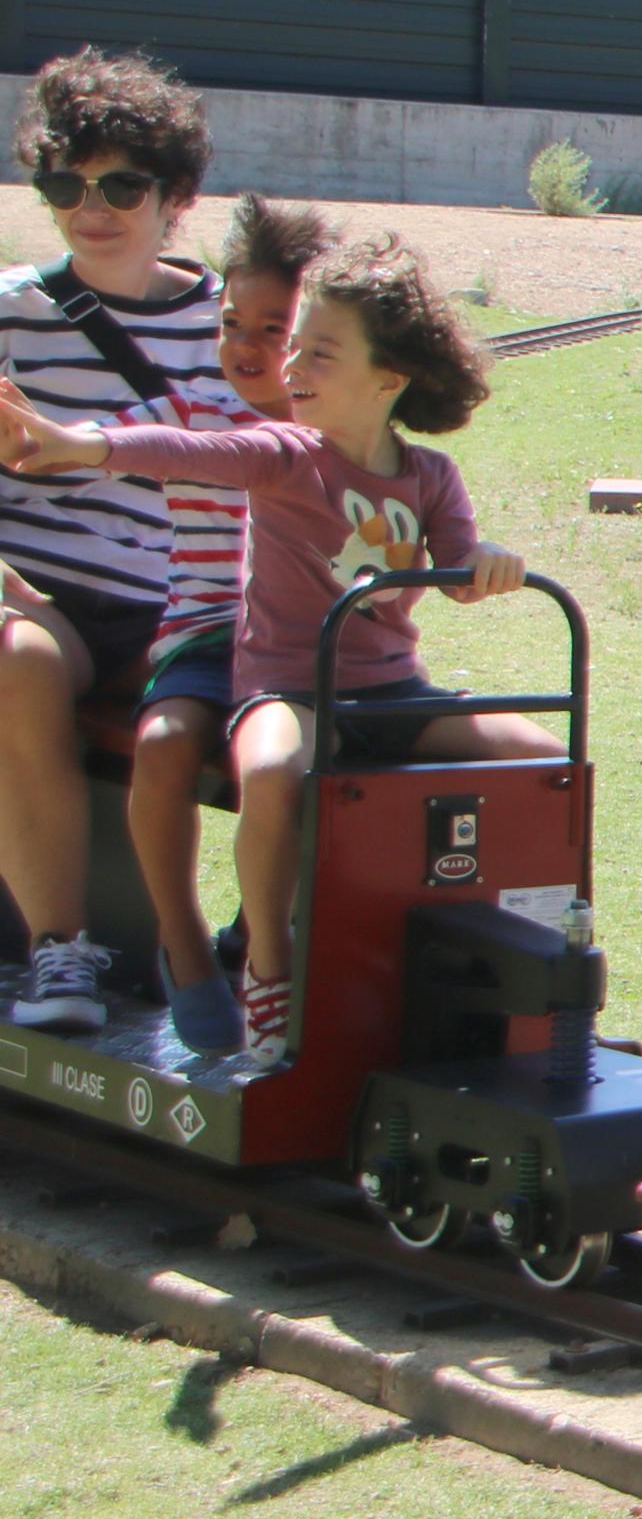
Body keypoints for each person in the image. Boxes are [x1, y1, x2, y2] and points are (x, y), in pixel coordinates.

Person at [0, 235, 541, 1073]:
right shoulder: (286, 455)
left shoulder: (431, 477)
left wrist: (492, 566)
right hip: (288, 686)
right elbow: (187, 451)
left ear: (388, 379)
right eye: (294, 346)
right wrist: (79, 444)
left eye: (315, 350)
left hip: (390, 688)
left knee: (543, 754)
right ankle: (266, 964)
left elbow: (460, 575)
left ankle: (537, 960)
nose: (291, 364)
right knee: (273, 768)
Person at [0, 51, 229, 1035]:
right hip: (32, 589)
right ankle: (60, 952)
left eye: (120, 185)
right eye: (66, 185)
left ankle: (259, 957)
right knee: (18, 663)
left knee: (313, 706)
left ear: (175, 195)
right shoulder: (13, 309)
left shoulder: (234, 324)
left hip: (169, 599)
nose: (91, 208)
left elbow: (271, 463)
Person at [130, 195, 329, 1049]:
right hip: (210, 635)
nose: (247, 347)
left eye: (273, 328)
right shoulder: (191, 411)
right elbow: (101, 439)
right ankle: (182, 944)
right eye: (230, 322)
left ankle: (259, 935)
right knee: (167, 741)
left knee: (289, 766)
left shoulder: (336, 427)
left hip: (301, 650)